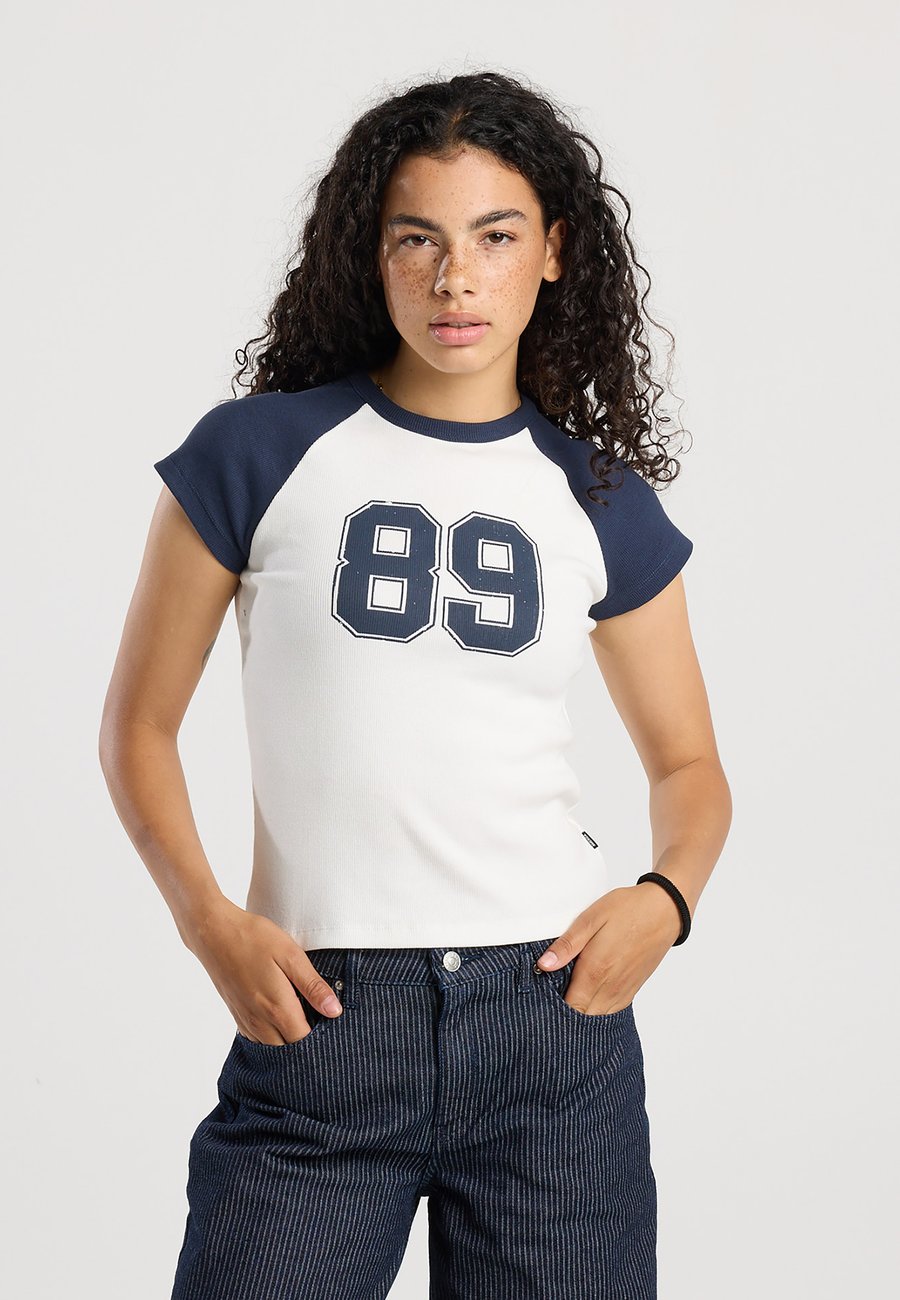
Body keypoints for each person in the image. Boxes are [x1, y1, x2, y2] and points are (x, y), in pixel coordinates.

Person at [99, 68, 732, 1300]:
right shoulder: (259, 454)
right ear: (371, 253)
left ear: (553, 253)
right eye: (417, 240)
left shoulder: (595, 497)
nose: (456, 280)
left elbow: (690, 763)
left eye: (495, 238)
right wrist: (208, 921)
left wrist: (664, 901)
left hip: (550, 1023)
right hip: (323, 1021)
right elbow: (139, 726)